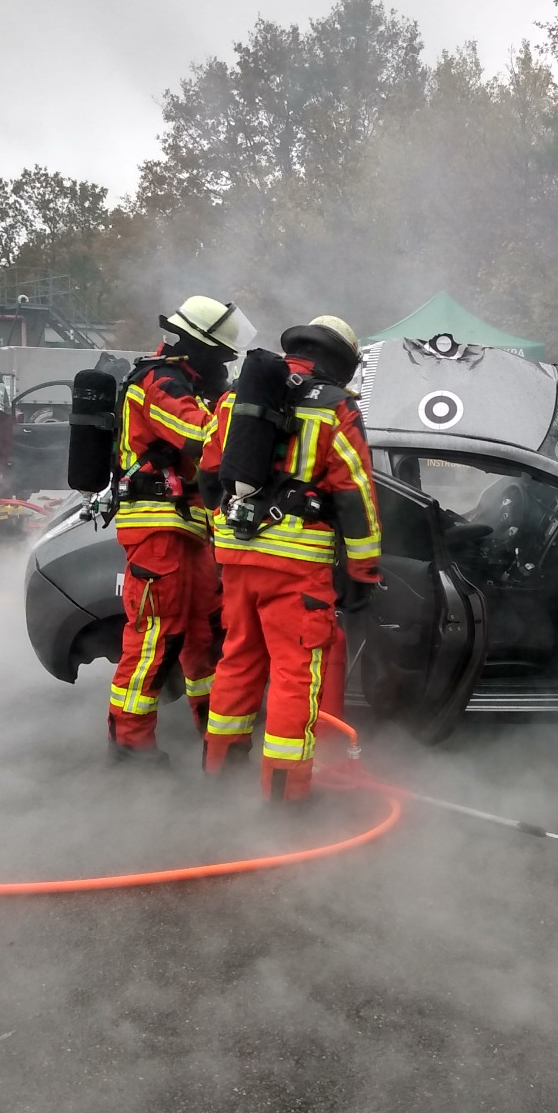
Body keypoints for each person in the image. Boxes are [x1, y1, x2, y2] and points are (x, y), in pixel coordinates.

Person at [199, 315, 381, 802]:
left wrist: (232, 530)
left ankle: (220, 771)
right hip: (297, 567)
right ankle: (286, 794)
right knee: (294, 675)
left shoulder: (236, 398)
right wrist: (363, 570)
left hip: (236, 557)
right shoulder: (336, 407)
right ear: (342, 361)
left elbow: (209, 473)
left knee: (237, 659)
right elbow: (355, 492)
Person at [105, 295, 253, 764]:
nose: (225, 366)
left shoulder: (186, 384)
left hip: (188, 529)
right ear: (197, 348)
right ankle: (129, 745)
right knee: (155, 636)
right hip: (156, 529)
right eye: (222, 356)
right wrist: (247, 408)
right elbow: (205, 439)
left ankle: (217, 732)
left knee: (202, 637)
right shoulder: (158, 382)